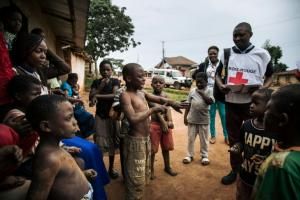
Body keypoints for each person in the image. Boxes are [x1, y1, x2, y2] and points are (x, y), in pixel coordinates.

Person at [215, 22, 273, 185]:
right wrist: (220, 85)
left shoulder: (262, 54)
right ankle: (235, 170)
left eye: (241, 34)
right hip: (231, 103)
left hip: (253, 104)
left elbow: (270, 76)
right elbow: (218, 75)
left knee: (254, 137)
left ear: (251, 34)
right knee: (234, 139)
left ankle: (255, 170)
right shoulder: (226, 53)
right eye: (235, 35)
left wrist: (261, 90)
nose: (237, 38)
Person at [120, 63, 182, 199]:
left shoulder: (142, 93)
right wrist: (153, 110)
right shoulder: (126, 96)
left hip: (146, 140)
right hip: (135, 142)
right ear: (129, 78)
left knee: (142, 170)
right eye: (141, 76)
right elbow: (133, 118)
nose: (144, 79)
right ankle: (133, 196)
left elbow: (159, 99)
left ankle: (138, 193)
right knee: (135, 173)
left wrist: (173, 103)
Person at [25, 95, 93, 200]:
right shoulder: (49, 158)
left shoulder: (55, 146)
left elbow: (60, 179)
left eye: (73, 116)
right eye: (69, 118)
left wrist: (83, 174)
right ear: (46, 126)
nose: (75, 122)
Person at [252, 84, 300, 200]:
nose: (264, 113)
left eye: (268, 109)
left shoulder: (281, 165)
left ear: (282, 120)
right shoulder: (288, 154)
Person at [228, 88, 275, 200]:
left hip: (264, 180)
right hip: (245, 176)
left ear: (270, 106)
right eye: (251, 102)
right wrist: (237, 147)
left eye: (256, 103)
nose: (251, 106)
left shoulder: (275, 130)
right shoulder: (247, 125)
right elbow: (241, 142)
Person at [89, 60, 120, 179]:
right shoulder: (96, 82)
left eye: (108, 69)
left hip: (112, 116)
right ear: (100, 71)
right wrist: (100, 87)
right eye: (103, 70)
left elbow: (114, 95)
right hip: (100, 116)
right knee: (100, 144)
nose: (105, 72)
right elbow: (91, 97)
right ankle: (101, 169)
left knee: (112, 142)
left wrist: (97, 96)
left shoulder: (115, 81)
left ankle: (111, 169)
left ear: (112, 70)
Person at [193, 46, 228, 145]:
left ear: (217, 53)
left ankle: (227, 136)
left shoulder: (223, 65)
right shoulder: (204, 65)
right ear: (208, 54)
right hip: (208, 94)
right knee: (211, 115)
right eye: (210, 53)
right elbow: (195, 75)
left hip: (221, 94)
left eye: (214, 53)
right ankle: (213, 136)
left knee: (224, 115)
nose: (212, 55)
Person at [149, 76, 177, 180]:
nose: (158, 84)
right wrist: (163, 123)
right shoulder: (150, 96)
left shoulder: (166, 95)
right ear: (151, 84)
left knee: (166, 148)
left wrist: (170, 121)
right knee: (152, 149)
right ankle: (151, 170)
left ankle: (167, 167)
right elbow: (155, 110)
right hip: (155, 124)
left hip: (165, 124)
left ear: (164, 85)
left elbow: (168, 109)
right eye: (155, 82)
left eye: (160, 83)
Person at [183, 72, 214, 165]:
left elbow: (210, 102)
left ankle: (204, 156)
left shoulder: (209, 90)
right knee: (190, 139)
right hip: (192, 119)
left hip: (204, 120)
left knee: (204, 140)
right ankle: (189, 155)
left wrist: (202, 93)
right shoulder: (192, 91)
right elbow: (188, 104)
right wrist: (185, 117)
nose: (199, 84)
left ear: (207, 82)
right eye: (198, 82)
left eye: (202, 82)